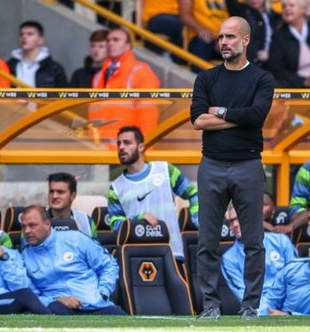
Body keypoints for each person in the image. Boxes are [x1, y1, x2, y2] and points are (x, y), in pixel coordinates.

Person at [190, 16, 275, 320]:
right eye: (221, 37)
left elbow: (257, 115)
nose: (223, 42)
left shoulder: (262, 79)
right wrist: (238, 118)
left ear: (246, 40)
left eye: (229, 37)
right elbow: (198, 120)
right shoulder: (206, 78)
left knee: (254, 241)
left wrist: (222, 113)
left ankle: (250, 306)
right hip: (211, 164)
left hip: (248, 163)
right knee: (207, 241)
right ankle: (210, 305)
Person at [108, 126, 198, 259]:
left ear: (141, 147)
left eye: (127, 143)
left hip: (173, 254)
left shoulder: (165, 170)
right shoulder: (115, 187)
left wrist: (197, 219)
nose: (121, 147)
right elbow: (116, 225)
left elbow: (194, 194)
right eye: (119, 143)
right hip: (136, 258)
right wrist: (137, 219)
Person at [21, 205, 125, 315]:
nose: (26, 231)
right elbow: (29, 294)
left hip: (96, 305)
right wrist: (55, 300)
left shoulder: (75, 239)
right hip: (59, 309)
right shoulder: (24, 257)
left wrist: (103, 293)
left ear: (47, 224)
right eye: (23, 227)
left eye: (32, 225)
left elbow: (109, 264)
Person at [221, 199, 297, 312]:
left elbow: (296, 279)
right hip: (263, 310)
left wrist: (289, 311)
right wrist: (271, 312)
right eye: (231, 221)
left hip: (291, 303)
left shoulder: (281, 241)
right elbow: (247, 298)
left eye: (239, 218)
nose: (235, 224)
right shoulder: (228, 259)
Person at [90, 28, 161, 141]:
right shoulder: (98, 76)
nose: (110, 43)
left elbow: (148, 114)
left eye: (116, 40)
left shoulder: (140, 71)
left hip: (127, 146)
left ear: (128, 46)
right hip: (101, 146)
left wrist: (145, 144)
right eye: (108, 40)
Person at [0, 204, 50, 314]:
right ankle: (52, 323)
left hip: (10, 300)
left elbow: (22, 286)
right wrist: (6, 294)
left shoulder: (10, 254)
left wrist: (3, 257)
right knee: (24, 298)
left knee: (29, 307)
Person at [7, 20, 67, 87]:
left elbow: (63, 94)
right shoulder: (10, 65)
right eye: (21, 34)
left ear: (40, 40)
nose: (24, 37)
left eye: (30, 34)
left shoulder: (54, 68)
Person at [225, 0, 281, 65]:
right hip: (252, 63)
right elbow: (231, 3)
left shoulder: (275, 16)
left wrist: (271, 55)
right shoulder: (243, 12)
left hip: (274, 64)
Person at [179, 0, 229, 70]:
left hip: (225, 38)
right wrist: (201, 28)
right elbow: (184, 16)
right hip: (200, 37)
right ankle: (198, 78)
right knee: (203, 41)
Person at [47, 172, 98, 240]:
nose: (54, 196)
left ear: (73, 196)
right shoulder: (37, 218)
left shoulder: (86, 221)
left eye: (60, 192)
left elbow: (96, 249)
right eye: (51, 191)